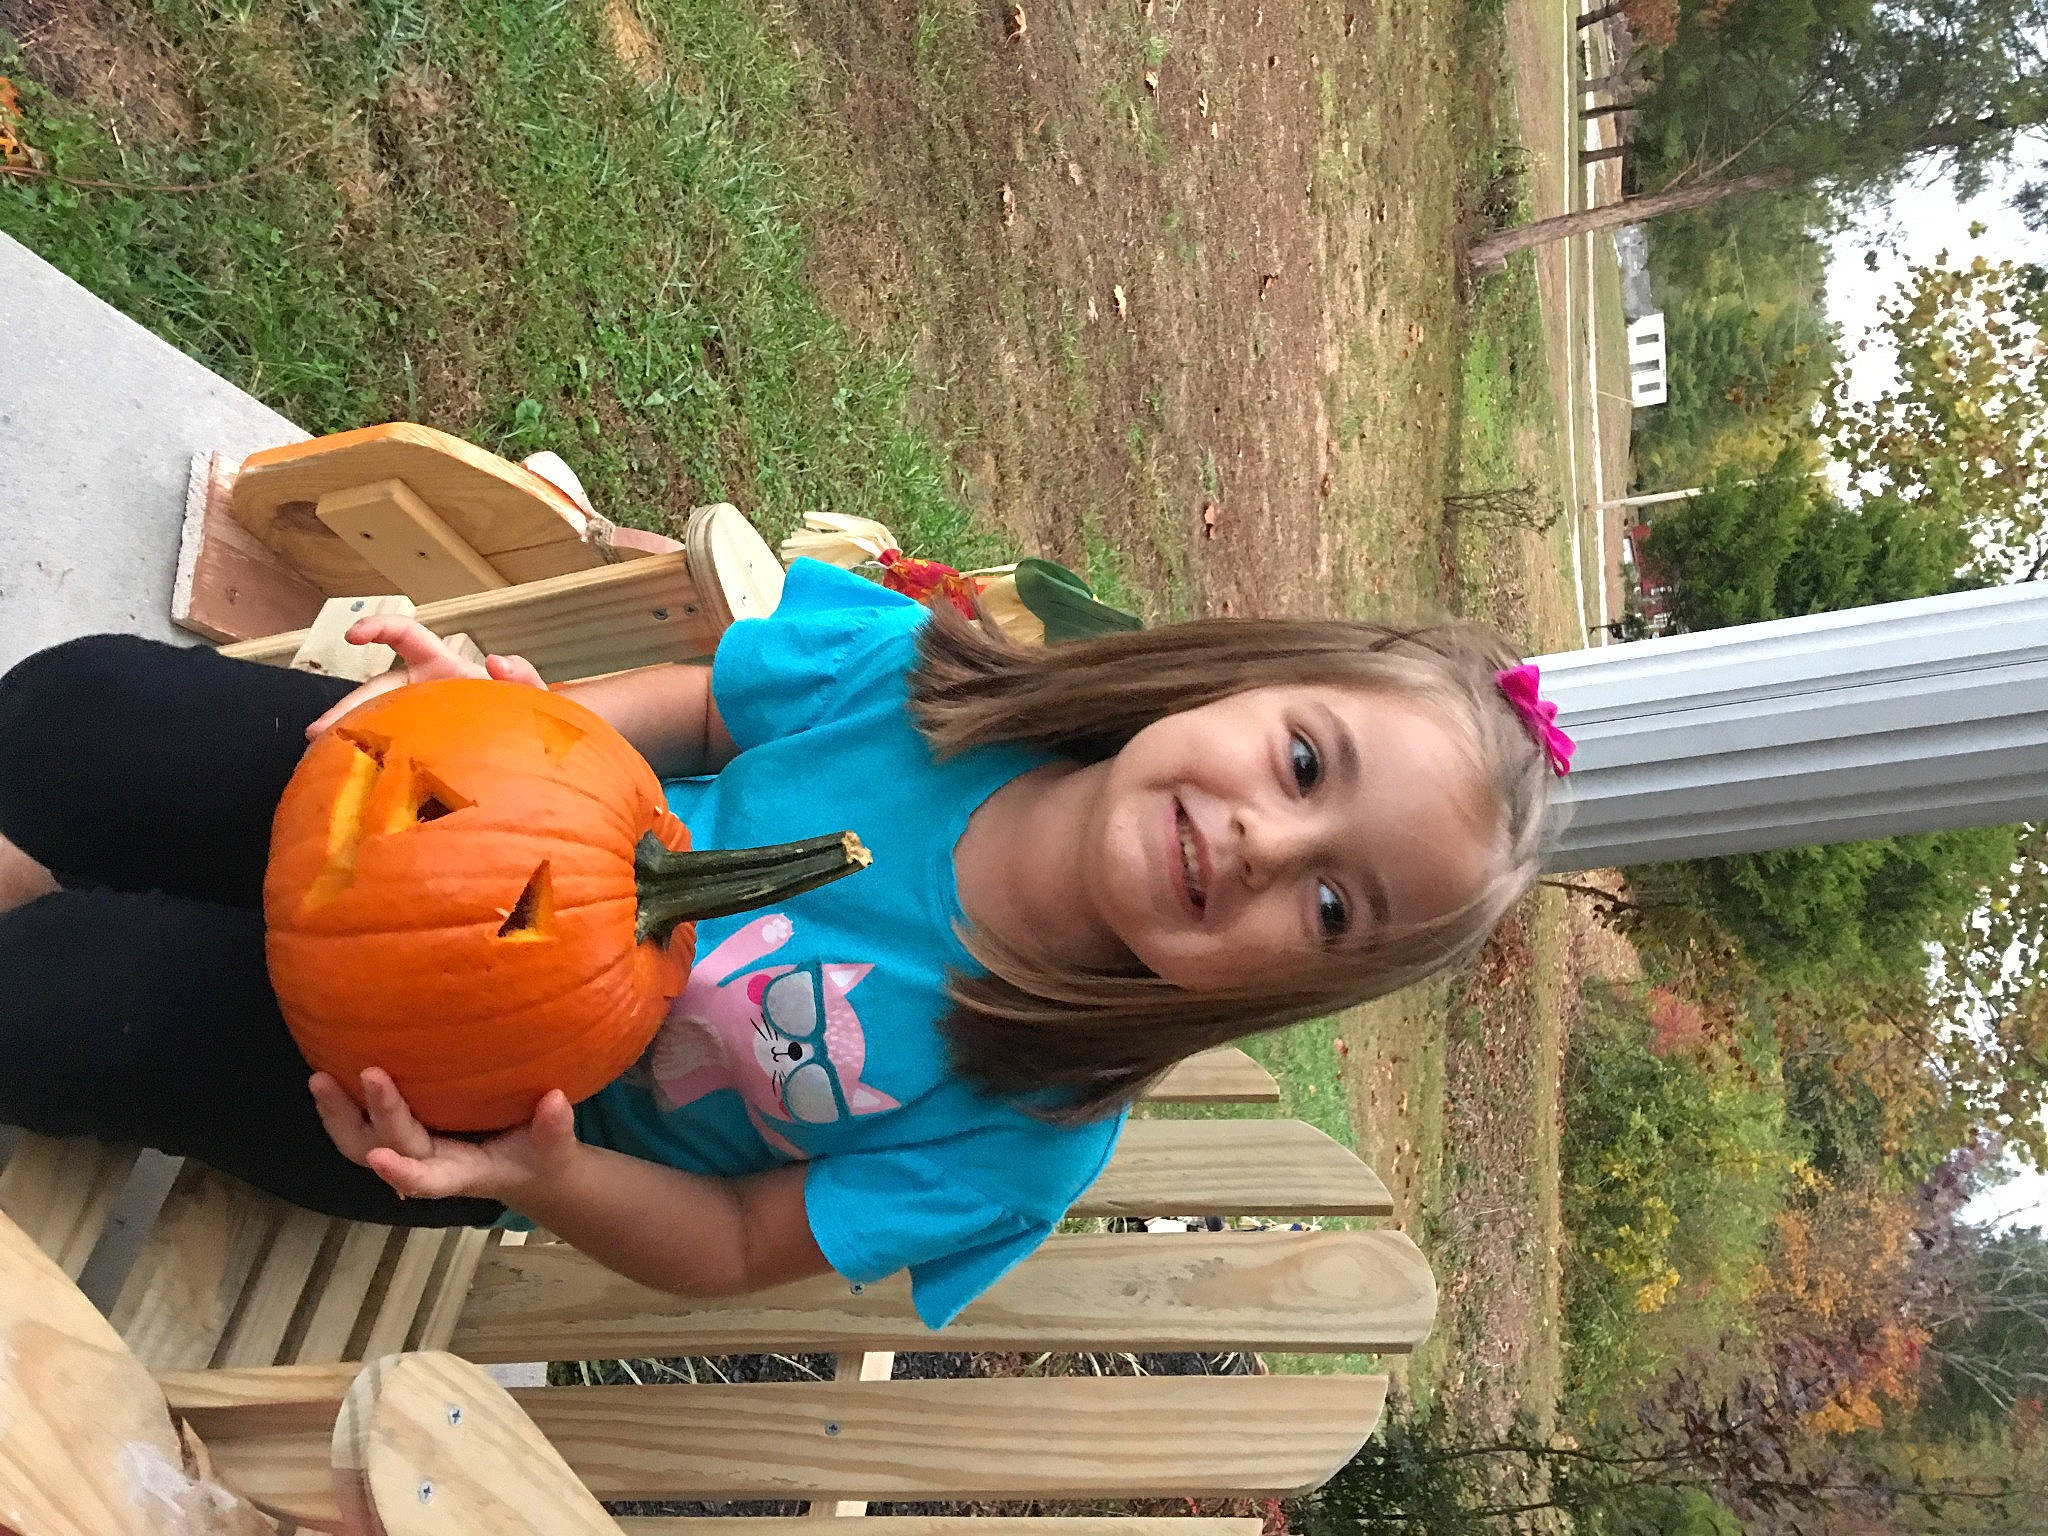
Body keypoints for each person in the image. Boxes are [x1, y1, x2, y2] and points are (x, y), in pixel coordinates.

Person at [0, 559, 1570, 1328]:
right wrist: (510, 723)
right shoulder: (918, 681)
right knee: (87, 721)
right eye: (1304, 766)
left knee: (80, 1000)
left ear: (1303, 984)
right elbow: (691, 708)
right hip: (465, 830)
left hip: (472, 1114)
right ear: (1236, 679)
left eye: (1333, 906)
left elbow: (742, 1244)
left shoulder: (1019, 1141)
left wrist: (540, 1179)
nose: (1261, 844)